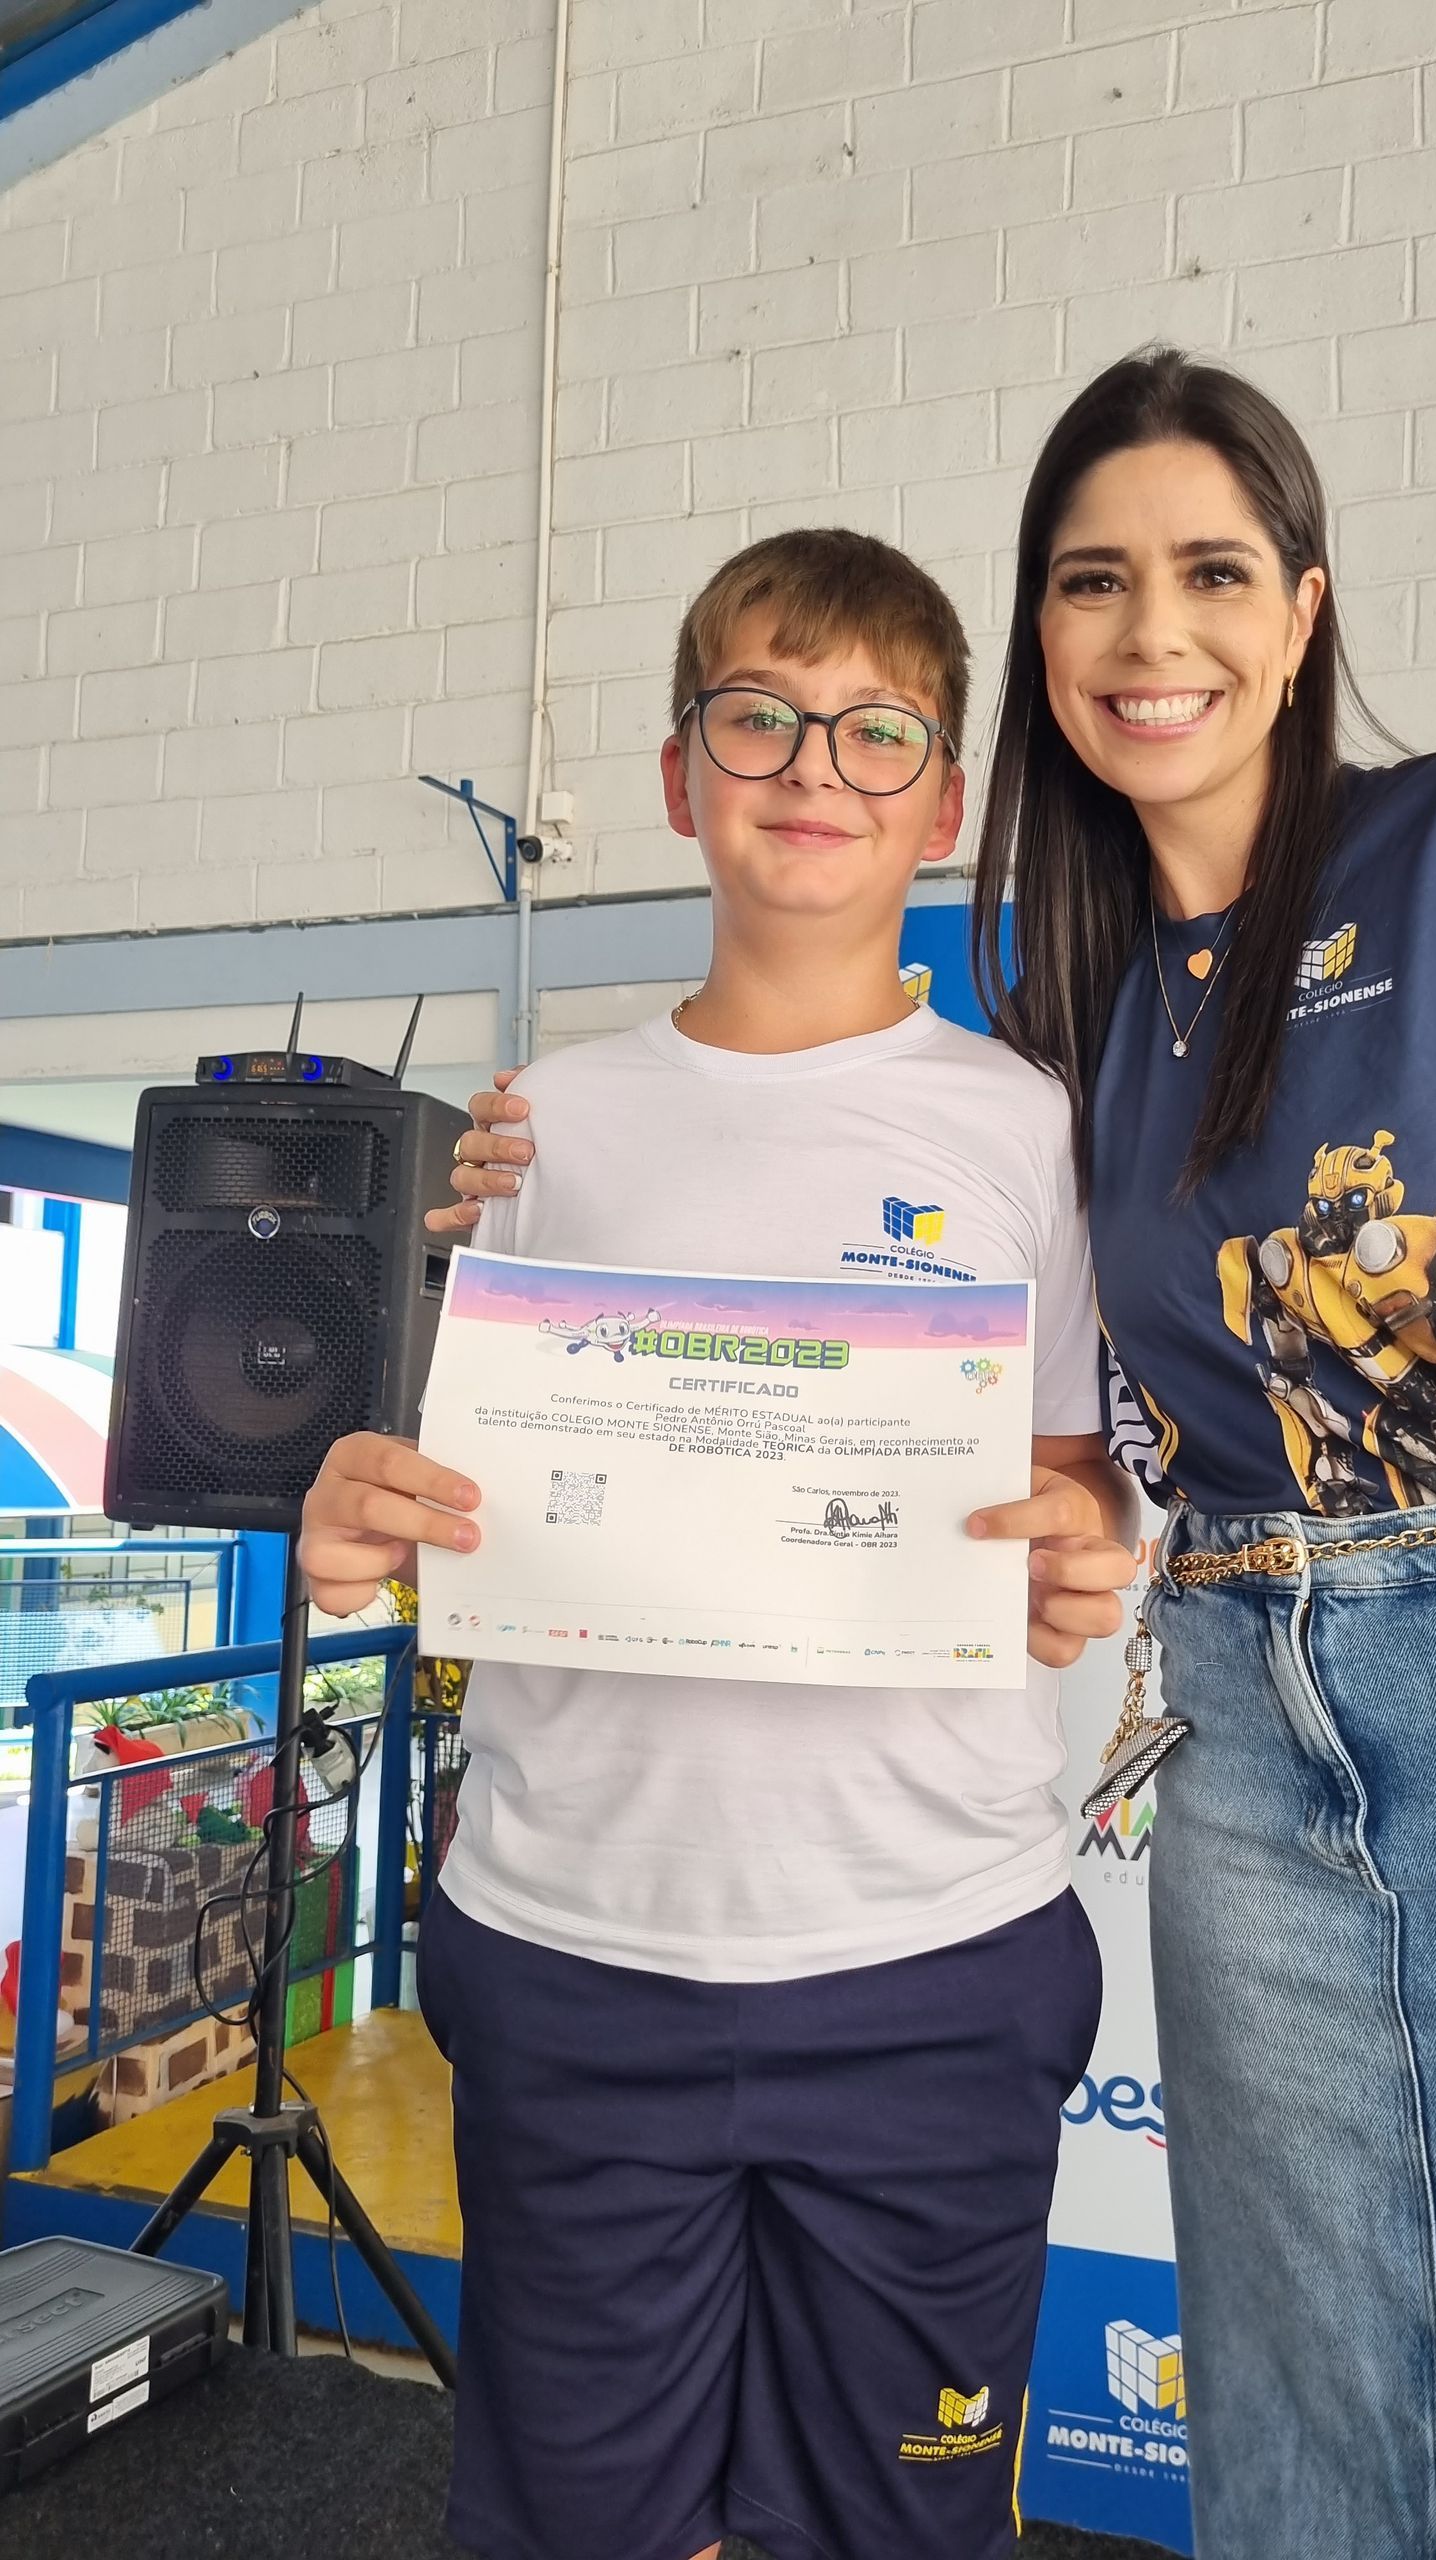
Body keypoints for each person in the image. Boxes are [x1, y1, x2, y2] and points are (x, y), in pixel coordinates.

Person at [447, 356, 1436, 2560]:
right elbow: (1070, 1454)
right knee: (1322, 2455)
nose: (1155, 634)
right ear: (1041, 637)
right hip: (1261, 1739)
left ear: (1304, 611)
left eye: (1215, 573)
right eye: (1093, 582)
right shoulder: (1070, 1031)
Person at [298, 527, 1138, 2560]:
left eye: (875, 731)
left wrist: (1081, 1539)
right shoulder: (539, 1126)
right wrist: (359, 1531)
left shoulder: (1030, 1126)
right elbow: (478, 1503)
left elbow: (1074, 1476)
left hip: (930, 1950)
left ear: (944, 800)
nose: (814, 768)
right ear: (682, 777)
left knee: (899, 2528)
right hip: (577, 1943)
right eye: (759, 718)